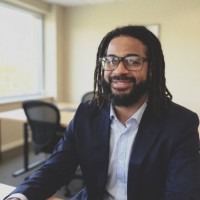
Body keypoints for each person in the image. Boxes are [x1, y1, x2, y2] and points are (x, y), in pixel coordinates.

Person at [5, 25, 200, 200]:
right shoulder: (86, 113)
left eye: (133, 61)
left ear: (152, 69)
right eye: (111, 60)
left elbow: (182, 194)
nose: (119, 70)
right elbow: (56, 168)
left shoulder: (181, 124)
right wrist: (20, 197)